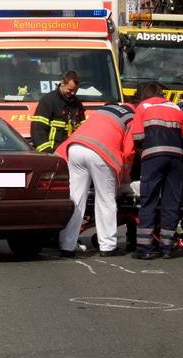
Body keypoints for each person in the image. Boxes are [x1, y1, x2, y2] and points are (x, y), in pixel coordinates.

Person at [55, 102, 136, 257]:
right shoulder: (132, 116)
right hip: (101, 152)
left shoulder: (101, 111)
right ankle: (108, 246)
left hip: (75, 147)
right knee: (105, 199)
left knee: (76, 199)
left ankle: (67, 245)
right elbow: (128, 152)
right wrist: (125, 179)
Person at [130, 83, 183, 260]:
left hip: (153, 158)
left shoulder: (143, 107)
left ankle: (144, 248)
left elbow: (138, 137)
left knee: (149, 201)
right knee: (171, 202)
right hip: (177, 158)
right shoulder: (175, 107)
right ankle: (167, 247)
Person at [31, 71, 85, 153]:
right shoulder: (49, 100)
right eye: (70, 90)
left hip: (72, 154)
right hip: (52, 153)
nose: (73, 93)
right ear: (62, 83)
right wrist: (48, 153)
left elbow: (83, 129)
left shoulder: (77, 103)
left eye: (75, 90)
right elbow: (38, 130)